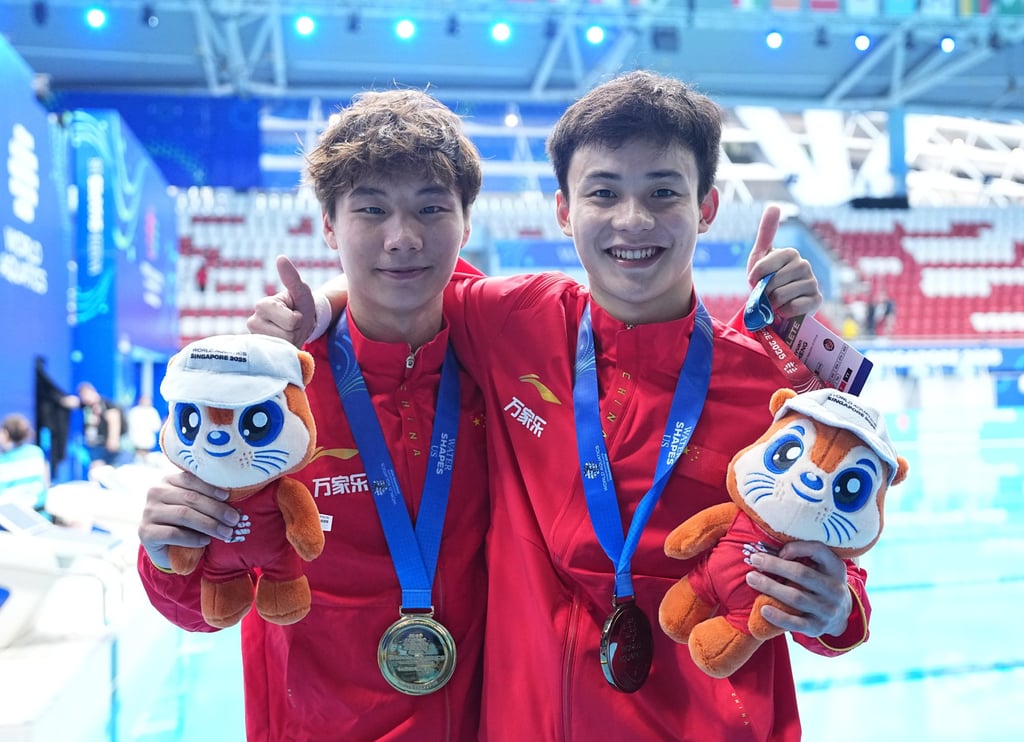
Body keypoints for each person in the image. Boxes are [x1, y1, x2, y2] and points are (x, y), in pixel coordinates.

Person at [252, 71, 868, 741]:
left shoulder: (769, 387)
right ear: (564, 210)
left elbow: (839, 570)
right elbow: (404, 276)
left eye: (664, 192)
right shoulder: (515, 319)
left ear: (709, 207)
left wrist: (836, 610)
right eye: (603, 192)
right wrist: (322, 305)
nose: (633, 220)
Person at [137, 89, 489, 740]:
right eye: (371, 209)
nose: (402, 237)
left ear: (466, 222)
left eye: (431, 208)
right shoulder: (267, 393)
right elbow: (199, 608)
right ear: (328, 226)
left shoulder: (502, 364)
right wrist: (167, 548)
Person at [71, 382, 128, 469]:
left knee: (107, 468)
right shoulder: (86, 406)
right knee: (96, 467)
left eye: (85, 395)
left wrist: (113, 439)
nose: (84, 399)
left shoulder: (106, 404)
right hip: (93, 443)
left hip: (105, 444)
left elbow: (114, 420)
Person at [0, 413, 49, 513]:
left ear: (6, 434)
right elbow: (45, 483)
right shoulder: (36, 452)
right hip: (39, 512)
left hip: (9, 516)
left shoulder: (2, 461)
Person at [125, 393, 163, 461]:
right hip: (136, 439)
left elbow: (157, 426)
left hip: (148, 440)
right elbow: (131, 425)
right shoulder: (134, 411)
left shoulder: (152, 411)